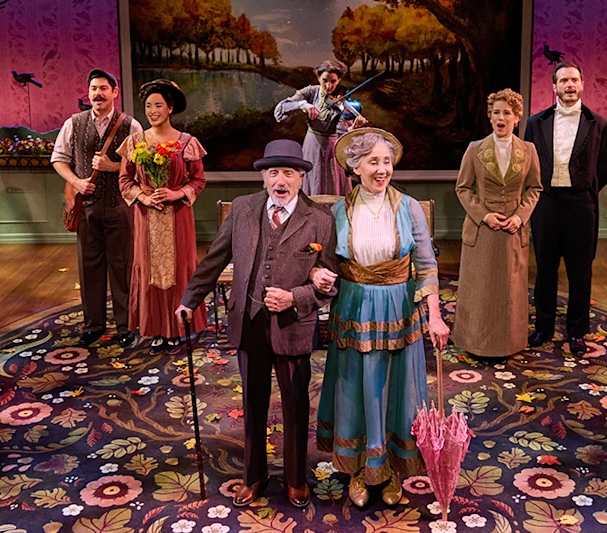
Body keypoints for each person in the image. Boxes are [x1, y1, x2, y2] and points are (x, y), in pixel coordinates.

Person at [175, 139, 338, 509]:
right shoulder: (243, 210)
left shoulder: (320, 220)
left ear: (301, 178)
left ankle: (296, 479)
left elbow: (330, 284)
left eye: (289, 173)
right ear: (264, 177)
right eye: (273, 172)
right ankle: (254, 476)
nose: (281, 180)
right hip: (248, 321)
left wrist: (295, 297)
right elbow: (214, 258)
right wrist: (190, 300)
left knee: (296, 404)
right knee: (253, 402)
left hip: (294, 324)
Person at [315, 128, 449, 508]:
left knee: (395, 390)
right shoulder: (338, 211)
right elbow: (325, 263)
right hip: (354, 308)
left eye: (387, 161)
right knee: (357, 389)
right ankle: (360, 468)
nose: (382, 169)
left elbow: (425, 267)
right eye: (373, 161)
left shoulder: (408, 208)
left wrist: (434, 317)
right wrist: (316, 275)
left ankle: (389, 469)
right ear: (354, 166)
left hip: (398, 309)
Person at [524, 63, 607, 356]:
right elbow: (527, 163)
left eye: (575, 79)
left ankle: (577, 332)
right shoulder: (536, 122)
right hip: (546, 203)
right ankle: (544, 327)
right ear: (554, 87)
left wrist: (584, 189)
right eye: (564, 80)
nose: (570, 85)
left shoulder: (598, 123)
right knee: (545, 269)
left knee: (580, 271)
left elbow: (606, 168)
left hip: (580, 204)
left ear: (583, 84)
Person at [51, 69, 142, 348]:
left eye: (103, 88)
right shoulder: (73, 123)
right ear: (88, 92)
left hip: (120, 207)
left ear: (115, 92)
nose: (97, 93)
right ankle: (93, 325)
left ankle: (126, 325)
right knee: (89, 267)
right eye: (93, 88)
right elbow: (58, 159)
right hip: (87, 208)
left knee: (122, 267)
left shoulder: (131, 126)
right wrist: (77, 182)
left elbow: (141, 168)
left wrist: (113, 167)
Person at [451, 88, 543, 357]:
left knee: (510, 292)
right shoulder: (475, 149)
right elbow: (463, 188)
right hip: (482, 231)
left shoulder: (528, 150)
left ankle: (509, 343)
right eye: (495, 113)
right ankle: (474, 342)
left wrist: (519, 217)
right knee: (479, 290)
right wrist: (484, 215)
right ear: (489, 117)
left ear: (517, 117)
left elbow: (535, 188)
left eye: (507, 113)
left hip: (512, 231)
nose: (500, 118)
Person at [118, 80, 206, 354]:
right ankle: (155, 328)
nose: (152, 111)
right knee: (148, 270)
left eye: (158, 105)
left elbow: (198, 181)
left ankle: (178, 328)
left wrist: (174, 194)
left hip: (178, 216)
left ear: (170, 108)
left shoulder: (187, 143)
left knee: (180, 269)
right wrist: (144, 197)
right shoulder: (134, 142)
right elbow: (125, 180)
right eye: (148, 106)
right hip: (146, 217)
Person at [274, 59, 367, 196]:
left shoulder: (341, 102)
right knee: (313, 181)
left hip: (333, 148)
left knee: (333, 185)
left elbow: (342, 133)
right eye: (325, 80)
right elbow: (280, 110)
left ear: (339, 80)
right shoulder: (310, 92)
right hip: (313, 145)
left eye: (333, 81)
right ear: (318, 78)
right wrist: (302, 105)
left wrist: (353, 129)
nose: (328, 86)